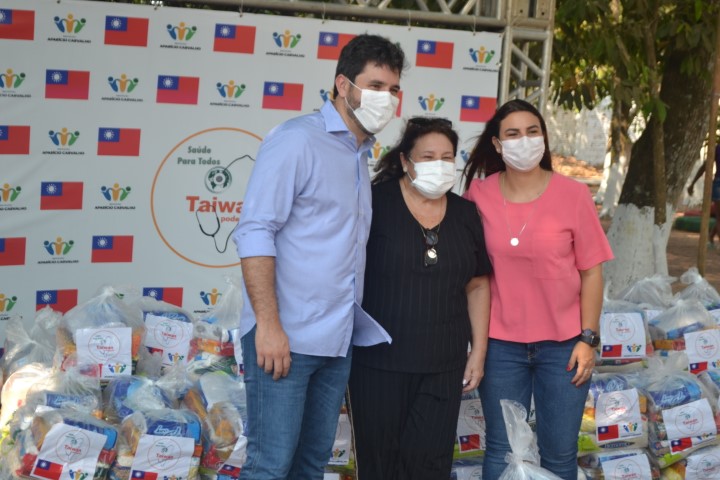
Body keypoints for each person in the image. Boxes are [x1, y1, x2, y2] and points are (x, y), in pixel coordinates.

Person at [231, 34, 406, 479]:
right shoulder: (297, 140)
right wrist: (268, 325)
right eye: (375, 86)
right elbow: (255, 231)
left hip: (336, 340)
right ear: (343, 85)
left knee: (310, 466)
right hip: (285, 337)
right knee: (270, 467)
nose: (386, 98)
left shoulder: (359, 153)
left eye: (393, 89)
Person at [462, 99, 614, 480]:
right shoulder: (478, 195)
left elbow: (591, 273)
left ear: (544, 139)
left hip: (565, 347)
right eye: (513, 134)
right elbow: (470, 274)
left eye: (532, 132)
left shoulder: (574, 195)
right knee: (503, 450)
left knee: (559, 452)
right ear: (497, 144)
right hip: (499, 346)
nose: (524, 140)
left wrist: (588, 338)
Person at [348, 117, 492, 479]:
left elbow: (477, 284)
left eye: (447, 157)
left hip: (443, 366)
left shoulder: (465, 213)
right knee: (379, 465)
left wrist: (478, 351)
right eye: (428, 157)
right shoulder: (373, 203)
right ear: (405, 160)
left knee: (430, 466)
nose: (438, 165)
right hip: (377, 364)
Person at [687, 143, 720, 247]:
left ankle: (711, 237)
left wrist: (693, 183)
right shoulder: (717, 148)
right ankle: (711, 238)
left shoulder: (717, 148)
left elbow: (704, 166)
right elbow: (705, 166)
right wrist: (692, 183)